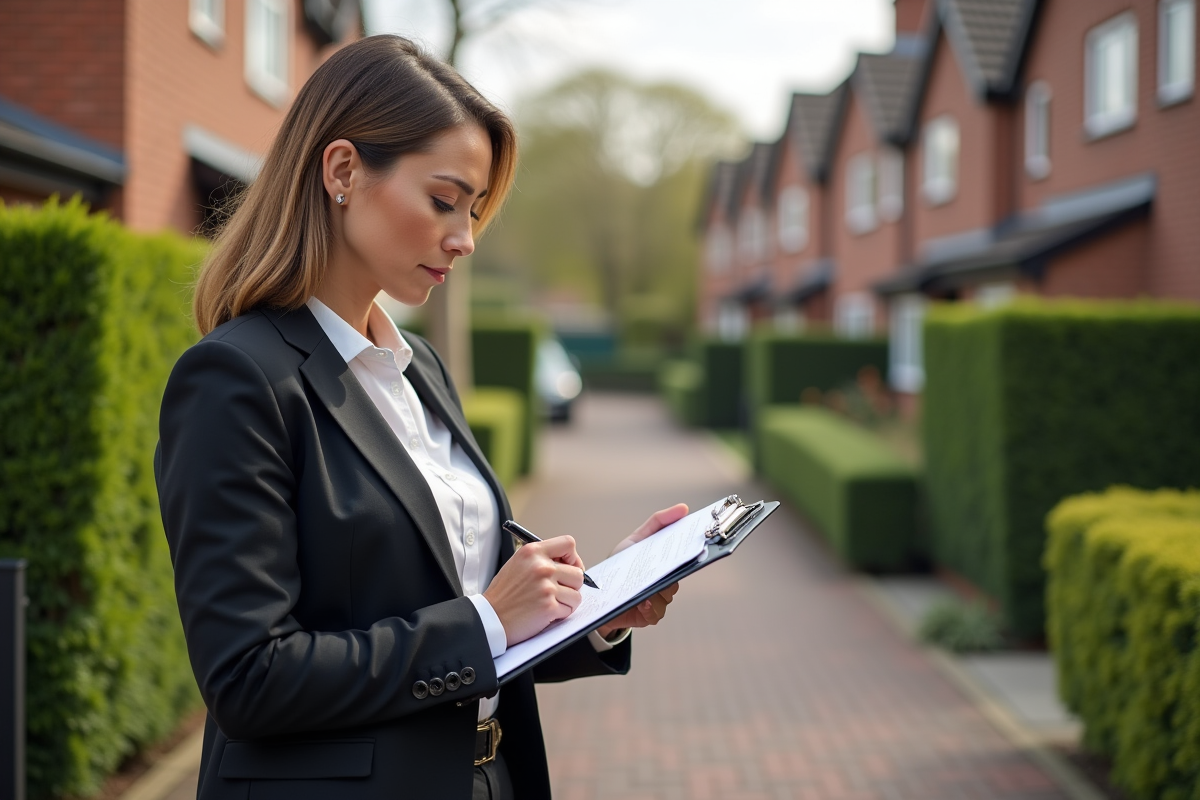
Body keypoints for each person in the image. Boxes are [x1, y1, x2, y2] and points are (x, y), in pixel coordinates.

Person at [154, 34, 685, 800]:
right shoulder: (236, 379)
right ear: (342, 170)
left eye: (473, 209)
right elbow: (248, 677)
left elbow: (474, 609)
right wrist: (486, 622)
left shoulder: (420, 370)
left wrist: (604, 605)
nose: (465, 238)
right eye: (443, 200)